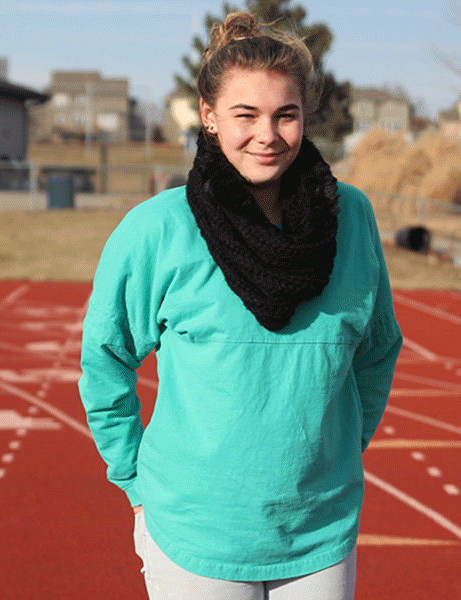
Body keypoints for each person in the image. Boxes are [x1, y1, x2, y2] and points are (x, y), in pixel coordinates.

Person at [78, 11, 402, 600]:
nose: (267, 135)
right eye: (245, 115)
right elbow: (105, 360)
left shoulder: (352, 217)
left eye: (286, 115)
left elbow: (378, 347)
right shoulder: (157, 229)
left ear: (306, 116)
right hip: (193, 530)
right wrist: (133, 478)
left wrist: (341, 447)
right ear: (208, 117)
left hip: (318, 531)